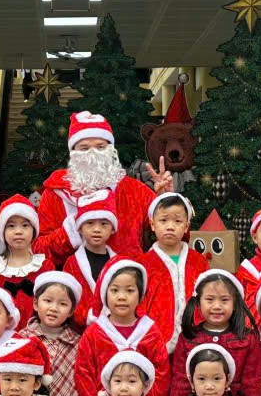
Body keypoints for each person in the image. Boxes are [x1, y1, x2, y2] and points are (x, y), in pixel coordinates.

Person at [35, 111, 173, 267]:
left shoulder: (134, 191)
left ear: (111, 151)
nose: (93, 154)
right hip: (76, 285)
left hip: (129, 285)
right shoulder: (56, 194)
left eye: (100, 147)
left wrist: (167, 201)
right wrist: (70, 234)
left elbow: (174, 234)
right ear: (73, 153)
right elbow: (39, 251)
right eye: (84, 148)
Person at [74, 258, 169, 396]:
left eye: (130, 290)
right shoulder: (94, 334)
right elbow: (84, 375)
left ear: (141, 294)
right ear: (105, 293)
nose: (122, 297)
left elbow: (161, 376)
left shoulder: (151, 333)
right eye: (115, 290)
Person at [167, 269, 257, 396]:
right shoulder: (188, 337)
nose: (217, 306)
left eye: (224, 300)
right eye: (210, 300)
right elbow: (180, 381)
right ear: (198, 302)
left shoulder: (247, 338)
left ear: (235, 303)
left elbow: (251, 383)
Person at [140, 193, 210, 352]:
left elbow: (207, 296)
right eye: (163, 220)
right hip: (155, 342)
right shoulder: (142, 264)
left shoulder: (198, 261)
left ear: (186, 226)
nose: (170, 226)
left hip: (195, 341)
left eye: (177, 221)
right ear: (152, 224)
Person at [19, 271, 84, 396]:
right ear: (35, 303)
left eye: (62, 304)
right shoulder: (22, 339)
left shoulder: (78, 344)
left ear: (71, 310)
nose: (54, 308)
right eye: (48, 301)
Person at [0, 194, 54, 327]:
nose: (18, 231)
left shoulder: (45, 267)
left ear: (34, 230)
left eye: (25, 225)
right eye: (11, 226)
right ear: (2, 231)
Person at [60, 189, 118, 327]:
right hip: (81, 333)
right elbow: (68, 299)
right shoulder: (72, 264)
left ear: (113, 228)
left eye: (104, 224)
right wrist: (88, 317)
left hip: (115, 330)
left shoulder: (118, 263)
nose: (97, 229)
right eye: (90, 223)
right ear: (79, 228)